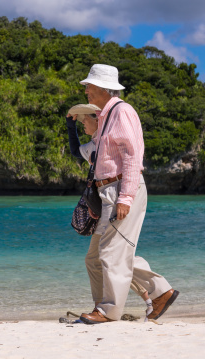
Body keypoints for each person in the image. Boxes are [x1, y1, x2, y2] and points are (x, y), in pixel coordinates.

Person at [67, 64, 179, 323]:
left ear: (104, 88)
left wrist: (125, 198)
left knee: (111, 253)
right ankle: (157, 294)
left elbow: (132, 155)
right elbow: (89, 153)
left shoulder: (122, 112)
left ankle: (109, 311)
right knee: (96, 257)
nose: (86, 90)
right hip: (108, 190)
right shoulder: (105, 117)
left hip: (120, 189)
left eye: (89, 86)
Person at [66, 107, 153, 321]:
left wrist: (124, 199)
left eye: (85, 120)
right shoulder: (95, 145)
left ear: (98, 121)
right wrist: (71, 125)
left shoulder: (106, 141)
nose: (83, 124)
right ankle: (147, 299)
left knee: (106, 257)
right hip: (106, 203)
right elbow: (76, 151)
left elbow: (132, 162)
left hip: (116, 200)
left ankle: (106, 308)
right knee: (108, 257)